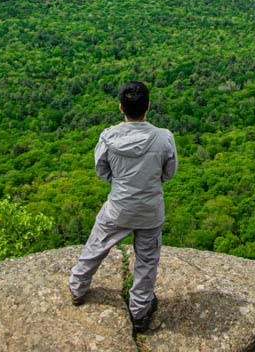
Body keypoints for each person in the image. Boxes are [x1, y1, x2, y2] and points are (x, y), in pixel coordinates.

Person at [68, 81, 178, 333]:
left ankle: (77, 288)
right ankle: (140, 312)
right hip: (150, 208)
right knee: (147, 260)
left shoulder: (108, 138)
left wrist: (122, 183)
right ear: (148, 106)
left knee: (96, 246)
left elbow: (101, 170)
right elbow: (169, 173)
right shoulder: (164, 138)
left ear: (121, 108)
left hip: (118, 206)